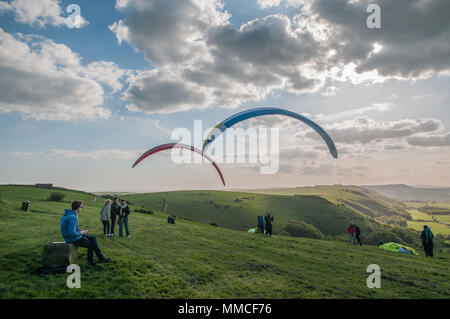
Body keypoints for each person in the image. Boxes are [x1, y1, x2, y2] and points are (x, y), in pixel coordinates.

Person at [60, 200, 111, 265]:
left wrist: (81, 232)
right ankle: (91, 262)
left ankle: (101, 258)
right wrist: (81, 233)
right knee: (91, 245)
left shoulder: (70, 214)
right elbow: (71, 233)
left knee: (93, 238)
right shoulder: (72, 217)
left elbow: (73, 230)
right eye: (81, 207)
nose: (81, 208)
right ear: (78, 208)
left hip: (72, 236)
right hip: (71, 238)